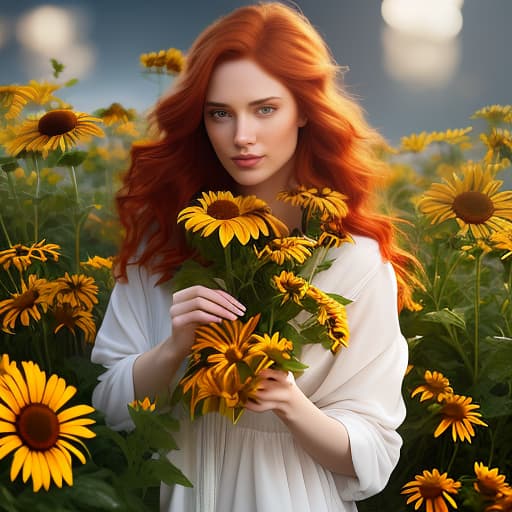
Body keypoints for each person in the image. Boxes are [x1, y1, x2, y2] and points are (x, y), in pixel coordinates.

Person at [91, 3, 419, 511]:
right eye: (220, 113)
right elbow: (109, 406)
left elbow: (375, 451)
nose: (241, 135)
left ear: (305, 109)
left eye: (265, 109)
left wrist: (291, 403)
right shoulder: (163, 246)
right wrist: (173, 349)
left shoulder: (353, 259)